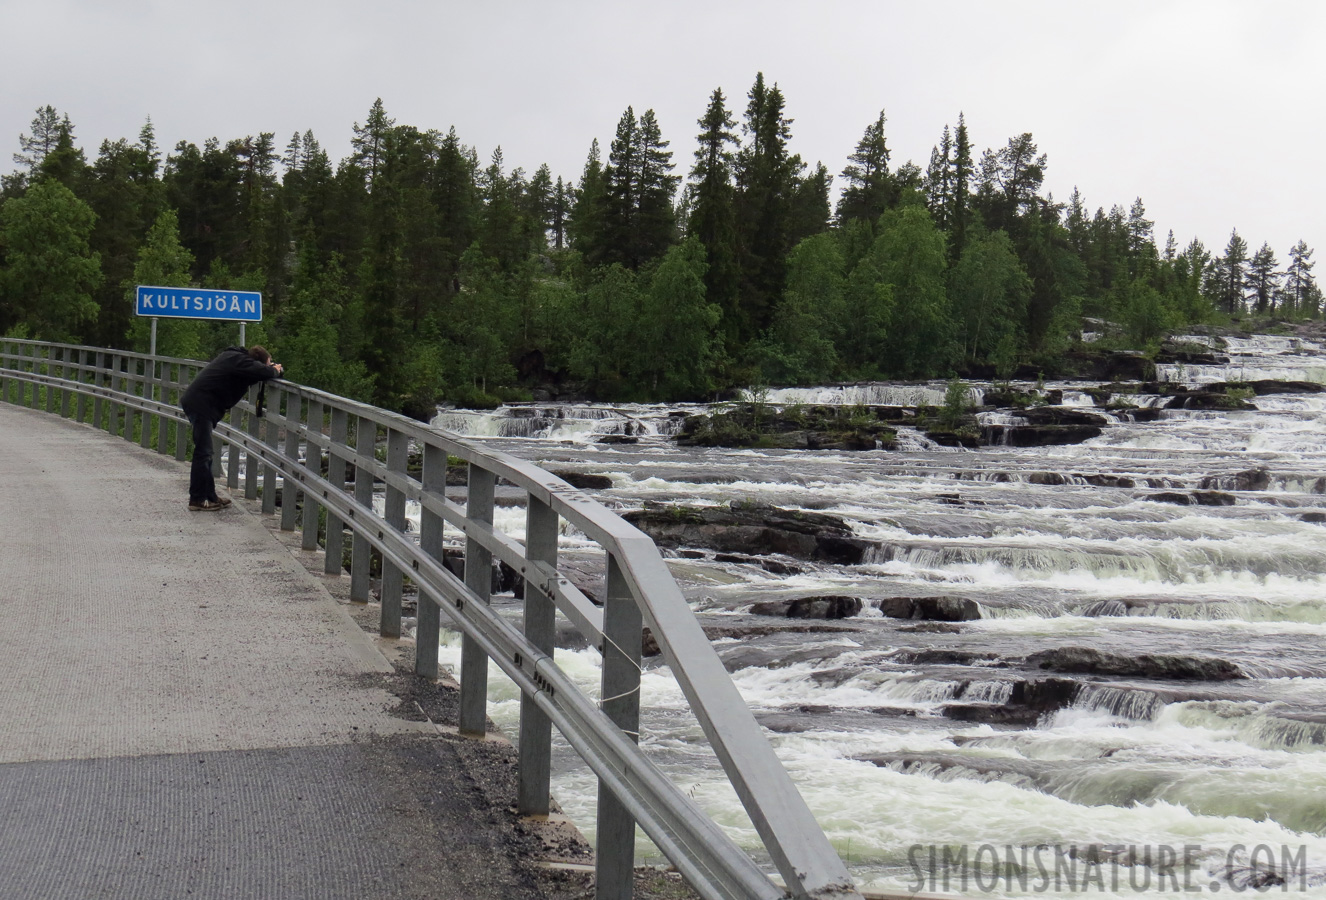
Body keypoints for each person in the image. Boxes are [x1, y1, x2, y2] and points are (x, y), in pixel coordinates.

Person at [180, 345, 283, 511]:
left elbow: (259, 372)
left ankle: (210, 496)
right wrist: (274, 370)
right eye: (267, 362)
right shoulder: (240, 361)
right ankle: (197, 499)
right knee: (203, 452)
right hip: (201, 404)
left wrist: (269, 368)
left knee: (206, 452)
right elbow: (266, 373)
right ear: (257, 362)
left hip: (200, 402)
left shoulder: (235, 360)